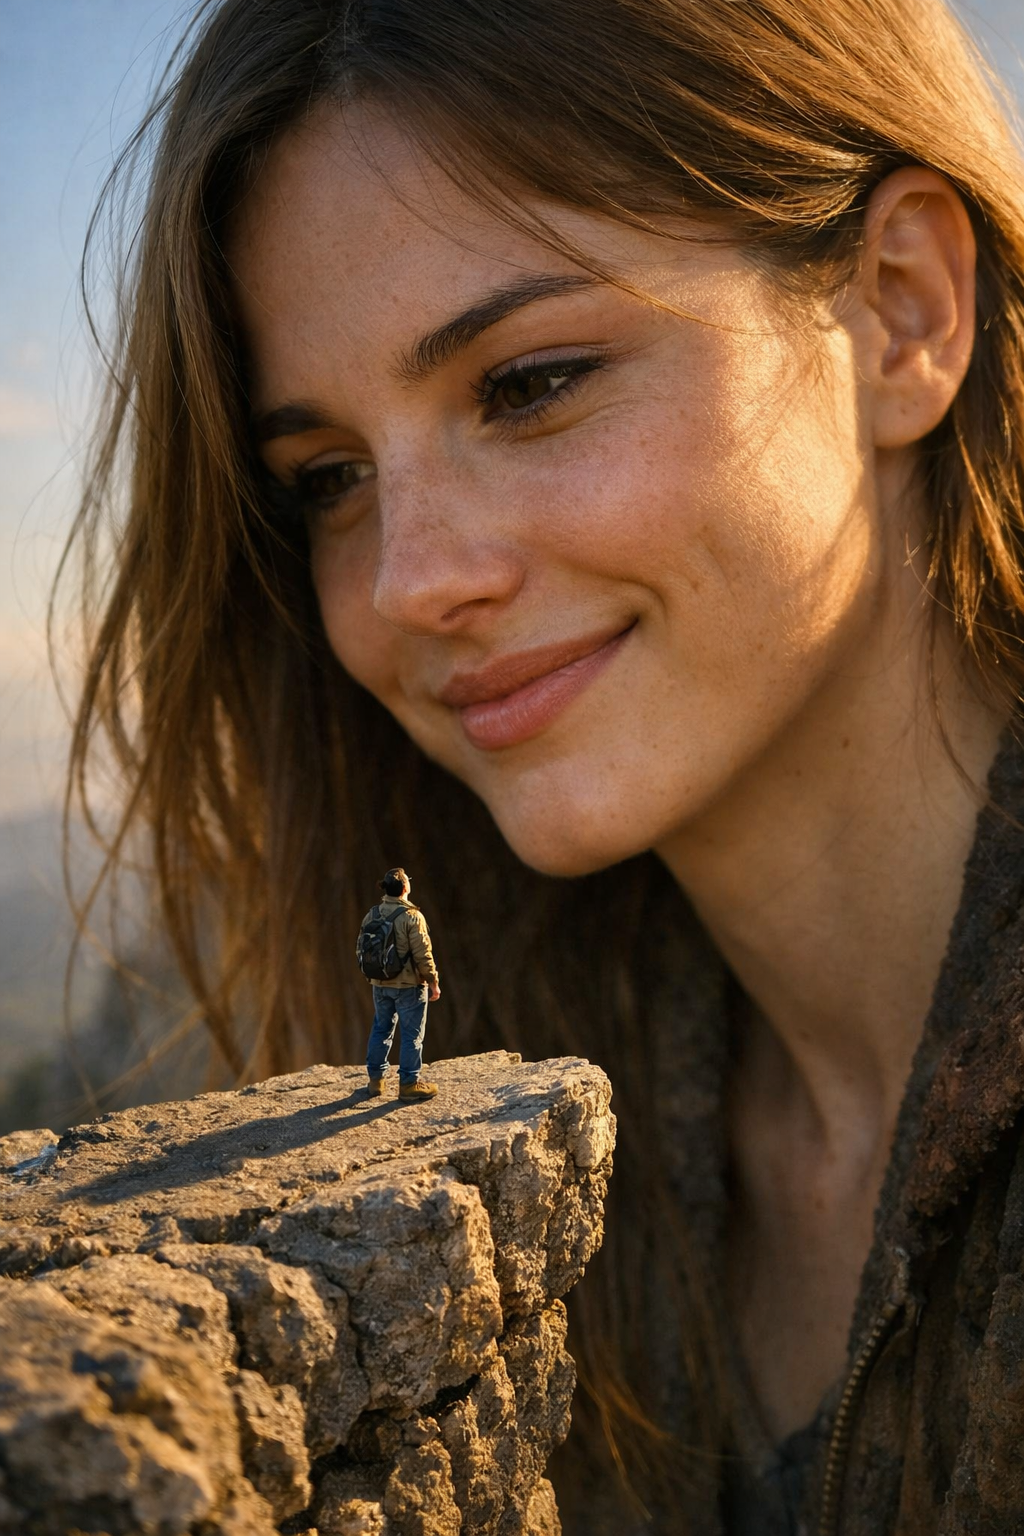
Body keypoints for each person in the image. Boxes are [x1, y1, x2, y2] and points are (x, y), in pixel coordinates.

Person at [61, 0, 1024, 1530]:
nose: (405, 584)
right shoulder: (563, 1110)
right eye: (330, 480)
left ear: (902, 312)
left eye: (531, 382)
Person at [359, 866, 441, 1101]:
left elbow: (361, 949)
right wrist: (433, 981)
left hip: (380, 983)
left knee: (381, 1028)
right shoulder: (412, 916)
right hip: (408, 987)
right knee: (411, 1035)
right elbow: (424, 954)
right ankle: (409, 1084)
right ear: (405, 888)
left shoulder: (372, 914)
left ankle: (376, 1081)